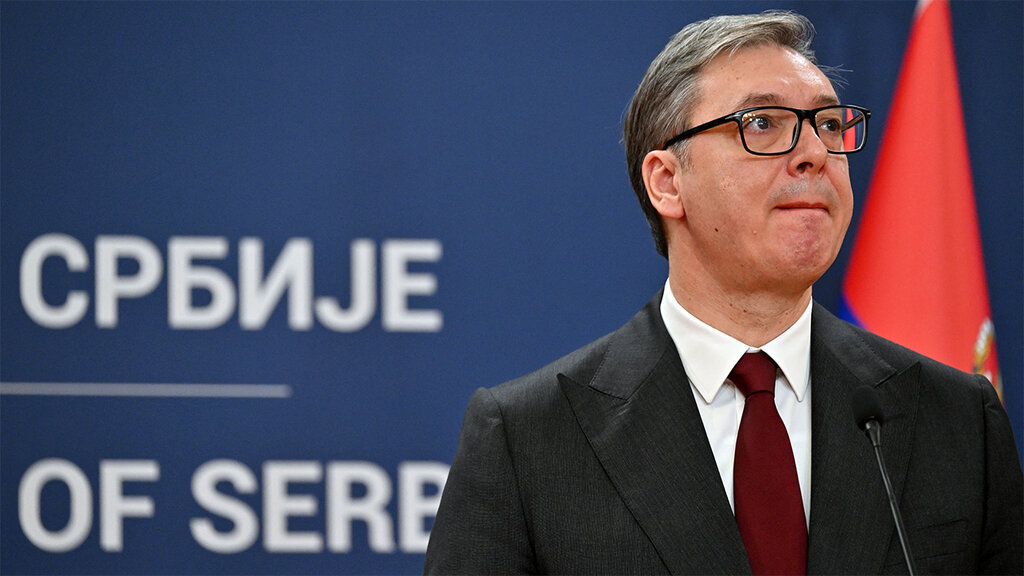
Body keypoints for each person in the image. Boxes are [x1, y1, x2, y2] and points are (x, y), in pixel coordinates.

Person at [424, 10, 1023, 575]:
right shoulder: (528, 439)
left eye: (829, 125)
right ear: (667, 182)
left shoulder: (957, 420)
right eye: (762, 123)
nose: (815, 154)